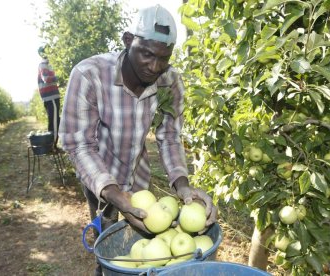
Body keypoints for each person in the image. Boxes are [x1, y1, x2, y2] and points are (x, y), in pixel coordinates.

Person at [59, 4, 217, 274]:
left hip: (139, 178)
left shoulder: (170, 82)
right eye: (146, 54)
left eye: (164, 58)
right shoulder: (89, 75)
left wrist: (183, 187)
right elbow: (79, 144)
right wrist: (112, 192)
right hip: (99, 176)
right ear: (128, 40)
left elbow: (169, 136)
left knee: (147, 252)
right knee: (108, 247)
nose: (154, 66)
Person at [37, 45, 61, 148]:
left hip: (52, 96)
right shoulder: (43, 64)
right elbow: (46, 78)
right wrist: (60, 77)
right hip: (50, 97)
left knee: (55, 120)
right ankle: (53, 146)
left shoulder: (48, 65)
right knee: (54, 121)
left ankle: (52, 144)